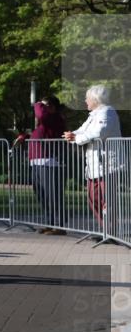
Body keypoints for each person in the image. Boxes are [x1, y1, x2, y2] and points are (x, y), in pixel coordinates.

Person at [63, 85, 122, 227]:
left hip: (108, 164)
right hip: (94, 165)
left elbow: (99, 132)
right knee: (93, 198)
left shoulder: (107, 111)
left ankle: (111, 230)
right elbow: (82, 130)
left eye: (87, 98)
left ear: (96, 99)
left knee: (108, 199)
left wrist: (76, 138)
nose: (85, 101)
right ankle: (105, 228)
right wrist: (72, 134)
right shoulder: (93, 114)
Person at [15, 96, 66, 234]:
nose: (41, 108)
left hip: (49, 162)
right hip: (36, 161)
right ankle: (49, 223)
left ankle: (60, 226)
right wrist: (25, 137)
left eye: (45, 106)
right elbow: (40, 134)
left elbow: (41, 114)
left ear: (52, 107)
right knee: (42, 194)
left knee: (53, 195)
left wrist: (37, 103)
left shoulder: (55, 117)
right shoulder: (45, 122)